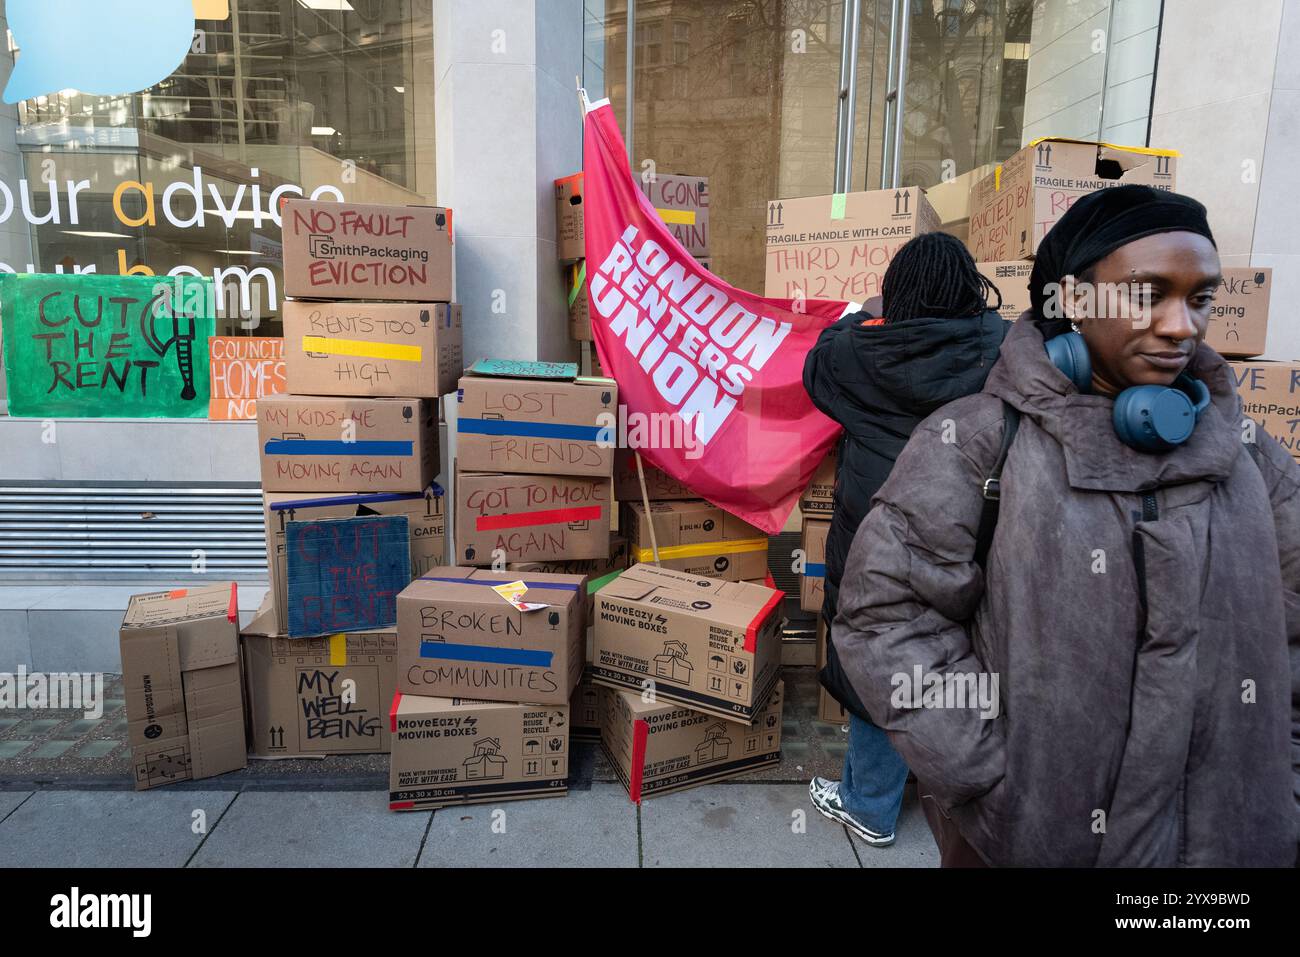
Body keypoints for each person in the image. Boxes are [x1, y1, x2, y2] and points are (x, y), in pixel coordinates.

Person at [832, 184, 1298, 866]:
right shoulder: (979, 443)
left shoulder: (1255, 458)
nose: (1181, 325)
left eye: (1199, 298)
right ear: (1073, 300)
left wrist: (1282, 782)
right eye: (1148, 293)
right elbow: (884, 617)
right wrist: (991, 777)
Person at [802, 232, 1009, 846]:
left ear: (896, 294)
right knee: (966, 657)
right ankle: (960, 790)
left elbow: (819, 362)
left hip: (877, 531)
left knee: (878, 651)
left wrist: (866, 312)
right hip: (973, 531)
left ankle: (869, 804)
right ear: (971, 289)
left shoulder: (859, 354)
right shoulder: (1001, 351)